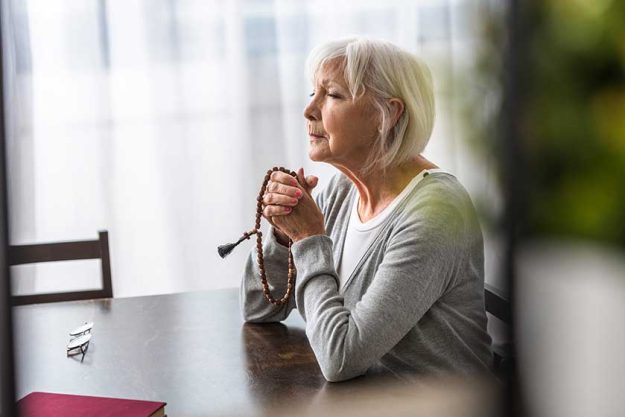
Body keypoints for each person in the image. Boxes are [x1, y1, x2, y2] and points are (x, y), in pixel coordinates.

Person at [240, 37, 492, 382]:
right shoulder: (344, 192)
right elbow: (258, 309)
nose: (309, 110)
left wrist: (309, 238)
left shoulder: (437, 212)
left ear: (387, 114)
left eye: (332, 95)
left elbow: (341, 358)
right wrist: (284, 237)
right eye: (312, 93)